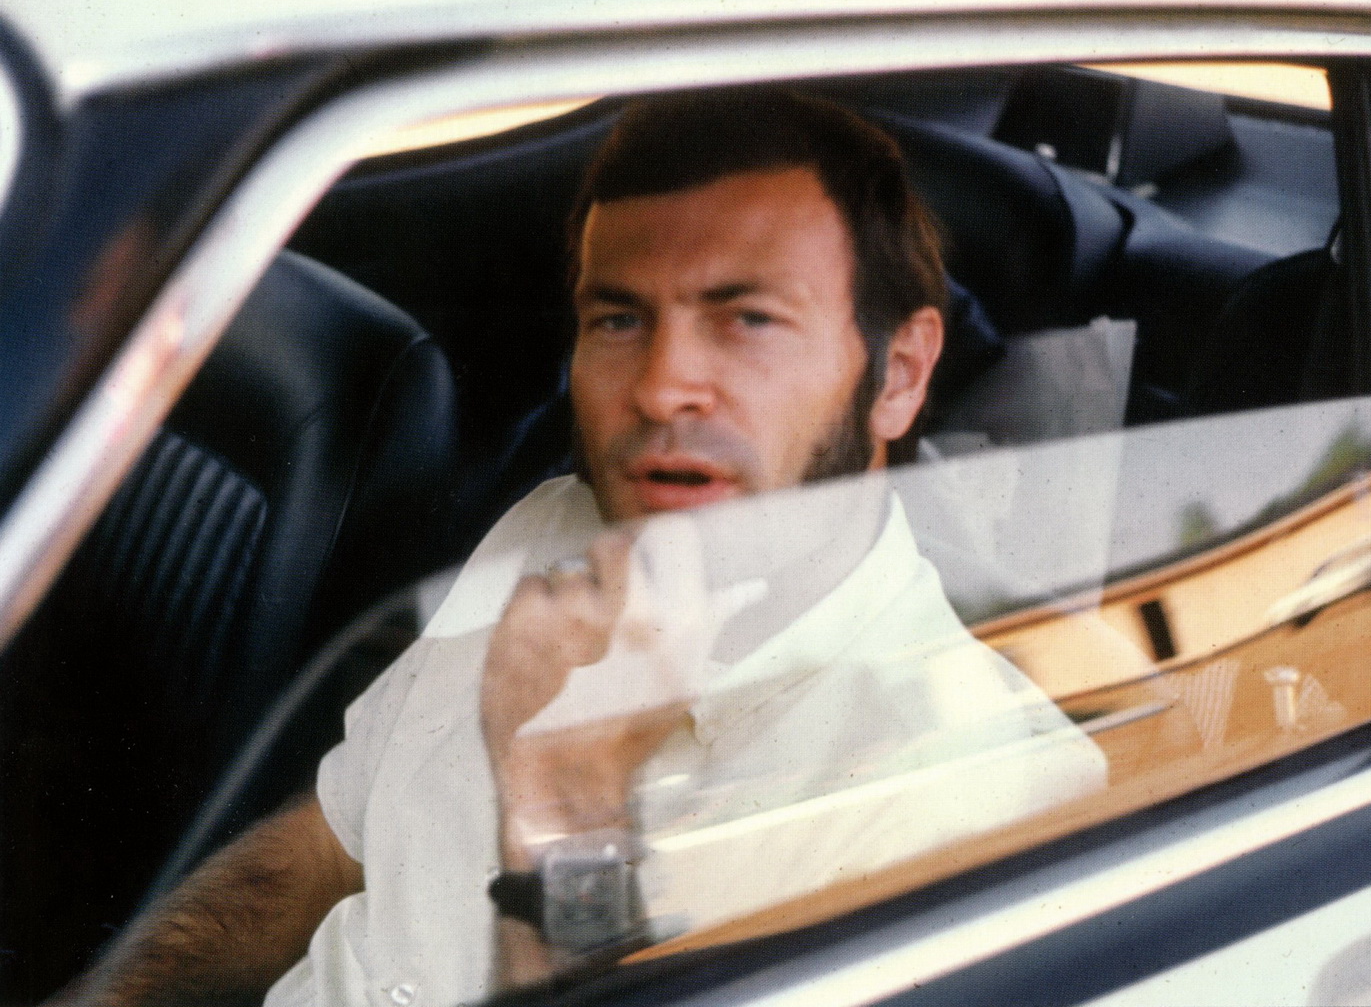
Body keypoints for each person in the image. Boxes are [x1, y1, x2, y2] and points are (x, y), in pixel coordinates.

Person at [55, 89, 1105, 1007]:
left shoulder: (970, 802)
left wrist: (567, 811)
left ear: (899, 375)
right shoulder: (555, 526)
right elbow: (328, 848)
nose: (660, 387)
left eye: (745, 319)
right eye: (618, 320)